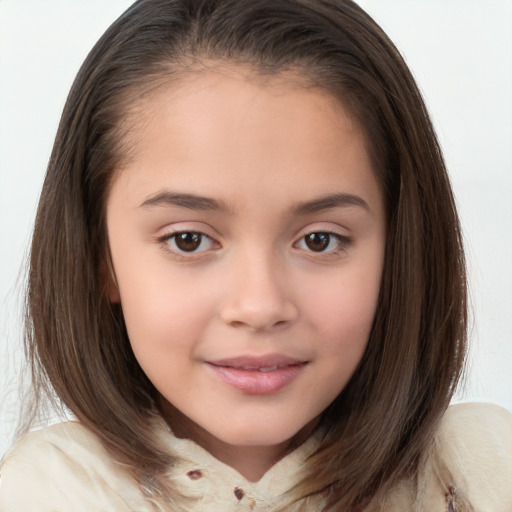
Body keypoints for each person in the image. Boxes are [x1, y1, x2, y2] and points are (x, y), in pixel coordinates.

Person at [0, 0, 510, 510]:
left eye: (319, 239)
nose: (260, 305)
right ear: (99, 258)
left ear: (399, 252)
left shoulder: (485, 475)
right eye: (189, 240)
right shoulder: (40, 495)